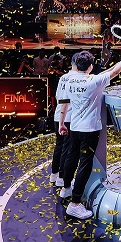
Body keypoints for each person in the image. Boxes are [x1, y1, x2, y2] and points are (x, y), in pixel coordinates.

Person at [57, 47, 121, 219]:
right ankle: (75, 204)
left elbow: (64, 103)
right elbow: (115, 72)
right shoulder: (94, 81)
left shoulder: (70, 80)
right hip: (90, 129)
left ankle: (66, 188)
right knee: (85, 164)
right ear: (91, 66)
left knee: (72, 156)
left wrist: (62, 123)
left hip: (74, 127)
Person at [49, 53, 78, 187]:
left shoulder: (63, 77)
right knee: (67, 148)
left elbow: (58, 96)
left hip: (58, 115)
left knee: (59, 146)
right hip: (67, 117)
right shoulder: (76, 78)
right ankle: (62, 177)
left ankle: (54, 174)